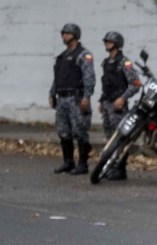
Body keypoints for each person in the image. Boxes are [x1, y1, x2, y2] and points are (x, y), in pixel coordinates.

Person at [49, 23, 96, 175]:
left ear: (75, 35)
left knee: (80, 131)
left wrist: (86, 97)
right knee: (63, 131)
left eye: (67, 34)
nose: (64, 36)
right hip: (62, 99)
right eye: (63, 33)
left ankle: (83, 164)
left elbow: (89, 78)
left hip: (76, 98)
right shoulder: (62, 57)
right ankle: (68, 162)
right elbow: (57, 78)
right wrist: (52, 93)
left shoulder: (83, 55)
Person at [99, 31, 141, 180]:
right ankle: (110, 167)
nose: (107, 44)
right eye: (106, 41)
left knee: (121, 139)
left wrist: (122, 99)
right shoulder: (106, 62)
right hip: (108, 104)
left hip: (118, 107)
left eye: (110, 42)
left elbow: (136, 84)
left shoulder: (124, 62)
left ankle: (120, 169)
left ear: (117, 44)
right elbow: (106, 84)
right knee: (110, 138)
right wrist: (101, 101)